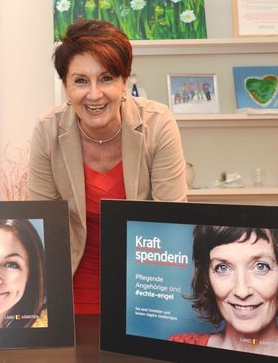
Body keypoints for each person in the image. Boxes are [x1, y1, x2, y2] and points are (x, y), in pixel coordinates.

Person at [28, 20, 187, 314]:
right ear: (65, 86)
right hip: (71, 282)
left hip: (146, 282)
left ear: (124, 82)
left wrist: (155, 295)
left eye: (106, 78)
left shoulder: (157, 123)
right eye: (80, 81)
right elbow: (41, 223)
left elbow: (172, 219)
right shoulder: (47, 131)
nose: (94, 93)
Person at [169, 225, 278, 356]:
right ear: (207, 278)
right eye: (223, 268)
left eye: (261, 266)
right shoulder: (179, 349)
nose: (242, 292)